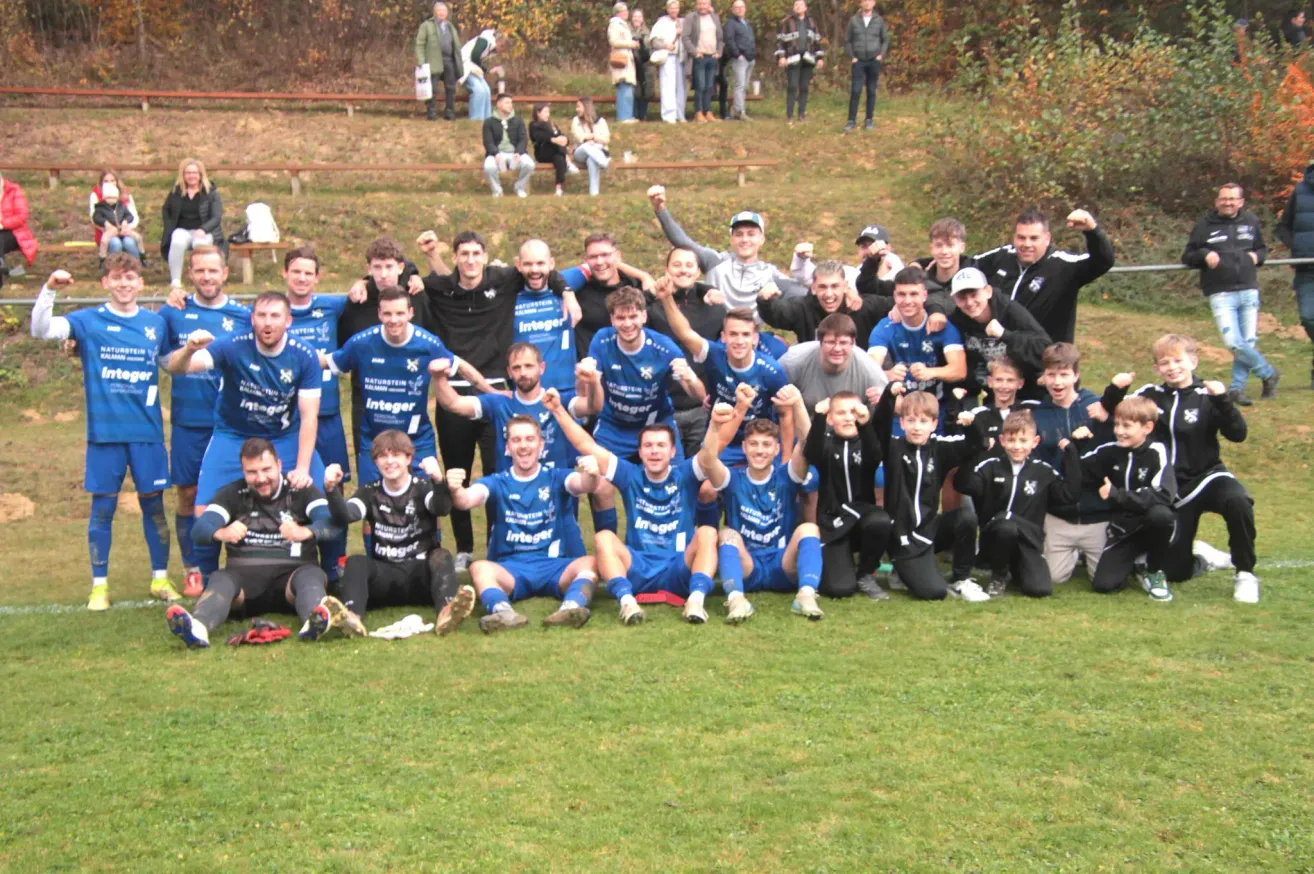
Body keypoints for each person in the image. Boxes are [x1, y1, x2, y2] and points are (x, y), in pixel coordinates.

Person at [418, 230, 575, 566]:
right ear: (456, 257)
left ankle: (497, 543)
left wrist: (568, 292)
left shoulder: (504, 279)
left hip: (497, 395)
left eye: (476, 253)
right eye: (464, 254)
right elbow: (401, 277)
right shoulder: (440, 288)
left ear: (486, 256)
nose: (471, 260)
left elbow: (543, 267)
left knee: (497, 473)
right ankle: (462, 549)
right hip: (457, 395)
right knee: (456, 472)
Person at [29, 260, 177, 611]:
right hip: (105, 433)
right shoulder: (88, 321)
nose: (124, 284)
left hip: (147, 432)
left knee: (154, 507)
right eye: (116, 278)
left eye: (130, 278)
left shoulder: (155, 323)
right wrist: (50, 287)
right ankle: (100, 586)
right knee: (103, 509)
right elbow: (41, 329)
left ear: (140, 283)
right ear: (105, 282)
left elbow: (173, 362)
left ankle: (160, 578)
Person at [552, 392, 730, 625]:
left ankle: (695, 601)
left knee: (707, 532)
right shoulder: (629, 474)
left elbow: (710, 454)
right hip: (638, 567)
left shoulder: (685, 474)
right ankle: (627, 603)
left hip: (678, 567)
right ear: (640, 451)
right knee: (604, 537)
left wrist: (715, 425)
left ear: (673, 451)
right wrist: (557, 409)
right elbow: (585, 444)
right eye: (648, 446)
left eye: (661, 445)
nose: (654, 451)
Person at [165, 438, 358, 649]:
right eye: (252, 472)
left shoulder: (301, 491)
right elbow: (199, 531)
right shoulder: (232, 494)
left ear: (279, 465)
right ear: (243, 471)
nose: (261, 478)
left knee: (311, 576)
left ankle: (314, 622)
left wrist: (306, 531)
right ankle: (197, 628)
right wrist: (222, 532)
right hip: (244, 586)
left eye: (267, 469)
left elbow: (334, 526)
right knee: (220, 578)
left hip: (291, 580)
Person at [1110, 335, 1259, 603]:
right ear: (1156, 368)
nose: (1172, 367)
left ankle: (1245, 574)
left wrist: (1223, 400)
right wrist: (1116, 390)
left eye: (1178, 360)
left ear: (1193, 361)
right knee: (1176, 572)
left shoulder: (1209, 394)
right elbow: (1114, 411)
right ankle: (1202, 557)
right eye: (1164, 362)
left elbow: (1238, 434)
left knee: (1238, 500)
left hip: (1208, 477)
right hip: (1173, 488)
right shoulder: (1149, 395)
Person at [166, 291, 326, 531]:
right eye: (261, 315)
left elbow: (309, 417)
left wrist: (302, 468)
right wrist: (188, 349)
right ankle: (204, 570)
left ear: (288, 321)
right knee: (203, 513)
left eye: (275, 316)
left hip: (284, 435)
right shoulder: (232, 345)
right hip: (233, 434)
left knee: (322, 506)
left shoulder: (304, 355)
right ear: (252, 319)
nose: (268, 322)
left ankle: (331, 568)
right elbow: (177, 368)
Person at [448, 415, 602, 632]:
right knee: (479, 568)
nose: (523, 446)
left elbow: (583, 484)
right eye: (516, 440)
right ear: (508, 447)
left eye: (529, 439)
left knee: (592, 562)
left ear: (541, 444)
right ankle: (503, 613)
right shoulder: (496, 481)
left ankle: (570, 608)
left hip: (553, 566)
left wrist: (592, 474)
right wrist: (456, 490)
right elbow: (465, 501)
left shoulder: (556, 476)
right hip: (512, 568)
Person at [159, 246, 252, 596]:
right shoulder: (174, 312)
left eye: (213, 271)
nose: (207, 277)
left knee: (241, 492)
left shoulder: (243, 316)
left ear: (225, 273)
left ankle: (241, 562)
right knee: (188, 493)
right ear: (190, 275)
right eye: (200, 271)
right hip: (189, 420)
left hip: (232, 422)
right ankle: (193, 568)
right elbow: (165, 358)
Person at [323, 430, 476, 633]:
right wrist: (331, 489)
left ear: (408, 459)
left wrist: (439, 480)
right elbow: (346, 515)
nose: (389, 461)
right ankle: (352, 616)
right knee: (356, 562)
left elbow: (442, 508)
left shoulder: (422, 487)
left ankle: (446, 612)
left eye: (396, 455)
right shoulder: (369, 491)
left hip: (421, 576)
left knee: (441, 555)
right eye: (382, 456)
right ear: (375, 461)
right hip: (385, 575)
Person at [327, 286, 479, 485]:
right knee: (372, 503)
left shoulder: (428, 344)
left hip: (417, 439)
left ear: (410, 313)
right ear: (379, 314)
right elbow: (326, 362)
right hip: (373, 439)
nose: (393, 319)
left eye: (400, 313)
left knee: (428, 502)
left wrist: (493, 391)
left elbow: (460, 365)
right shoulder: (361, 343)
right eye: (388, 313)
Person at [868, 384, 986, 601]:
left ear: (933, 424)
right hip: (902, 536)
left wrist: (972, 426)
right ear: (902, 422)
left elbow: (976, 446)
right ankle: (899, 568)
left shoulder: (940, 448)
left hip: (930, 530)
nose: (916, 428)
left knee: (965, 518)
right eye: (911, 421)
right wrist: (888, 396)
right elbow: (879, 428)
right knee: (934, 592)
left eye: (923, 421)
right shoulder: (892, 447)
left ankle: (961, 578)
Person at [716, 386, 825, 621]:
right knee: (726, 534)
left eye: (766, 445)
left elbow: (809, 443)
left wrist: (797, 404)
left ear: (777, 449)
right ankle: (736, 600)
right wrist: (722, 420)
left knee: (809, 529)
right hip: (748, 566)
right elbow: (707, 460)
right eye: (753, 444)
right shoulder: (732, 478)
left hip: (782, 564)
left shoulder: (786, 475)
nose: (759, 451)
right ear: (744, 447)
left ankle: (805, 596)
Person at [652, 280, 788, 466]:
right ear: (723, 337)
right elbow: (684, 333)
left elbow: (786, 414)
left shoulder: (771, 371)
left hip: (758, 441)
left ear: (754, 337)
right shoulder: (714, 355)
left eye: (745, 335)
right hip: (723, 440)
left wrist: (785, 461)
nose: (739, 341)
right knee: (705, 490)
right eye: (733, 334)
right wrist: (667, 298)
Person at [953, 410, 1082, 598]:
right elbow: (962, 484)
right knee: (1005, 525)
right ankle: (999, 575)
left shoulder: (1043, 472)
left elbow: (1070, 495)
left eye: (1023, 441)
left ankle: (1015, 570)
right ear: (1002, 440)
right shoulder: (990, 467)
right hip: (995, 539)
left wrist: (1071, 453)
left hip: (1028, 543)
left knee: (1040, 590)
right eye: (1011, 440)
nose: (1017, 446)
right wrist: (974, 451)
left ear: (1035, 442)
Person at [1064, 397, 1177, 602]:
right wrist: (1076, 446)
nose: (1119, 431)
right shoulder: (1110, 451)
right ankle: (1137, 562)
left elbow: (1163, 494)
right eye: (1116, 424)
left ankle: (1154, 571)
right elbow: (1079, 472)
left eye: (1127, 426)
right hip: (1123, 529)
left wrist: (1117, 495)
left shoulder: (1157, 451)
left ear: (1147, 427)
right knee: (1103, 585)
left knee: (1161, 514)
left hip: (1152, 523)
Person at [1026, 342, 1118, 586]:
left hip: (1097, 510)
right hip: (1060, 512)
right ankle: (1066, 550)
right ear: (1043, 377)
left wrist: (1106, 422)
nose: (1057, 382)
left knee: (1105, 580)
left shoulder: (1096, 408)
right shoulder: (1037, 415)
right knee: (1054, 578)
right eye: (1051, 375)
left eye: (1064, 375)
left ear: (1076, 375)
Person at [1182, 183, 1279, 406]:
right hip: (1220, 292)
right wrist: (1205, 254)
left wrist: (1257, 257)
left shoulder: (1251, 221)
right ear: (1217, 201)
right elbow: (1188, 255)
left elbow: (1262, 248)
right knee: (1234, 342)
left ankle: (1237, 389)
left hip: (1248, 289)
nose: (1228, 202)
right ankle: (1268, 372)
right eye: (1224, 198)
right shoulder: (1205, 224)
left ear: (1241, 202)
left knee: (1248, 342)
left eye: (1233, 199)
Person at [434, 341, 591, 473]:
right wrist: (439, 377)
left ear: (541, 368)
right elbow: (453, 404)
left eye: (529, 366)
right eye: (516, 368)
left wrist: (594, 382)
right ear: (509, 372)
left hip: (555, 495)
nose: (523, 373)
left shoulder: (558, 401)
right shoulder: (499, 403)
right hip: (509, 499)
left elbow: (592, 406)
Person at [649, 185, 808, 314]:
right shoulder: (715, 261)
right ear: (731, 239)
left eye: (751, 234)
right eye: (739, 235)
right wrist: (660, 209)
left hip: (748, 338)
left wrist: (803, 263)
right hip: (713, 333)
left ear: (762, 239)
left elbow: (807, 293)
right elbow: (682, 242)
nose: (745, 240)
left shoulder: (770, 273)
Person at [973, 208, 1113, 344]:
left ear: (1047, 238)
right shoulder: (1001, 257)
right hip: (1000, 356)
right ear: (1014, 238)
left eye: (1034, 238)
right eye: (1021, 238)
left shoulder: (1063, 266)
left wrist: (1092, 231)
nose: (1027, 244)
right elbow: (966, 266)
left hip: (1047, 359)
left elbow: (1103, 261)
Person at [803, 391, 887, 598]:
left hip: (863, 520)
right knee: (838, 589)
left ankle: (866, 573)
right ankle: (843, 563)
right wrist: (819, 418)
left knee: (881, 521)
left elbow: (875, 456)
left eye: (853, 412)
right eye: (841, 413)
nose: (849, 417)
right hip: (834, 524)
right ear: (831, 418)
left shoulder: (866, 441)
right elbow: (811, 454)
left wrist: (865, 424)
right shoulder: (826, 443)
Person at [947, 266, 1052, 404]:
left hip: (1028, 391)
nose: (969, 303)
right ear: (955, 299)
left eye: (974, 294)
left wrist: (1005, 335)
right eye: (962, 297)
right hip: (992, 393)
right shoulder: (956, 321)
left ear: (988, 291)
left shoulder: (1009, 310)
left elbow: (1045, 346)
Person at [866, 266, 966, 409]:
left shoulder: (940, 325)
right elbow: (870, 369)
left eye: (913, 294)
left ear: (925, 296)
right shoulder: (884, 327)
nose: (907, 300)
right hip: (900, 412)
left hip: (937, 412)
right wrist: (886, 374)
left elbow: (960, 370)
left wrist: (930, 372)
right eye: (901, 294)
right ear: (894, 296)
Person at [761, 259, 897, 347]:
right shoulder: (802, 308)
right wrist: (764, 301)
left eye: (835, 286)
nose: (829, 294)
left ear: (845, 286)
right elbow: (778, 313)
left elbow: (903, 301)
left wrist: (898, 308)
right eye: (823, 287)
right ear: (813, 288)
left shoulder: (861, 306)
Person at [564, 231, 656, 354]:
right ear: (586, 260)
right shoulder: (579, 290)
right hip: (593, 369)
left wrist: (644, 276)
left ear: (618, 256)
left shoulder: (637, 287)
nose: (599, 261)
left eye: (605, 255)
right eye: (593, 257)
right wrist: (567, 293)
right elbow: (550, 279)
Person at [778, 313, 888, 410]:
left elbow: (895, 408)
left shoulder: (870, 369)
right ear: (820, 342)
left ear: (853, 343)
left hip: (850, 428)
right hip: (804, 428)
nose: (837, 349)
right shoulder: (793, 362)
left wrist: (883, 402)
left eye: (843, 342)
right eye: (830, 342)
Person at [1276, 158, 1314, 388]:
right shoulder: (1300, 191)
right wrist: (1296, 247)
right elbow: (1282, 226)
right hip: (1306, 270)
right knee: (1308, 316)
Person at [161, 158, 226, 289]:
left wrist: (202, 230)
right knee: (177, 240)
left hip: (205, 231)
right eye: (188, 173)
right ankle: (175, 281)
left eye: (195, 173)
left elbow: (216, 217)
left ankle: (202, 279)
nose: (192, 176)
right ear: (183, 175)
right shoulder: (176, 192)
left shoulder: (211, 193)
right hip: (183, 230)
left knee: (200, 245)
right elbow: (166, 210)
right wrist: (170, 228)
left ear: (201, 174)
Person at [804, 224, 906, 294]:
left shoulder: (903, 281)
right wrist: (801, 260)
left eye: (874, 245)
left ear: (888, 248)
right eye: (864, 246)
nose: (869, 251)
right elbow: (812, 276)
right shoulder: (850, 274)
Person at [775, 0, 824, 125]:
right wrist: (781, 56)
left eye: (801, 5)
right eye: (796, 5)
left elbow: (817, 41)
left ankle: (801, 114)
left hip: (808, 59)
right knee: (792, 86)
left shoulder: (811, 22)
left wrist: (819, 58)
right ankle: (789, 115)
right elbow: (780, 41)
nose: (798, 7)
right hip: (792, 58)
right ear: (793, 8)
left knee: (804, 87)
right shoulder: (787, 22)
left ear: (805, 8)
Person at [844, 0, 889, 132]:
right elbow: (847, 41)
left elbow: (885, 39)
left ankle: (869, 120)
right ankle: (851, 120)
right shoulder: (853, 21)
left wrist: (880, 55)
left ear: (874, 3)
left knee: (871, 90)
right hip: (858, 61)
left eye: (870, 1)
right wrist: (852, 57)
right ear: (861, 4)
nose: (867, 3)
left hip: (873, 60)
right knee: (856, 90)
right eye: (865, 1)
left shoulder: (878, 20)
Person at [415, 1, 463, 121]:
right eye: (439, 10)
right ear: (435, 12)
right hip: (433, 61)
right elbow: (419, 44)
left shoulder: (450, 26)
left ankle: (449, 113)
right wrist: (421, 61)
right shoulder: (426, 25)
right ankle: (431, 113)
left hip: (449, 61)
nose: (442, 13)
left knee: (451, 88)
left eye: (444, 11)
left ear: (447, 13)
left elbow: (456, 45)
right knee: (432, 88)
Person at [482, 93, 535, 198]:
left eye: (511, 103)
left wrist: (518, 152)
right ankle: (497, 191)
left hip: (515, 153)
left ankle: (519, 187)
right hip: (497, 153)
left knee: (529, 164)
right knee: (489, 166)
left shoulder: (518, 120)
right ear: (498, 104)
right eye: (507, 103)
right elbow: (488, 142)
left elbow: (523, 139)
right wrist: (496, 154)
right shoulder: (489, 122)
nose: (510, 105)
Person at [682, 0, 723, 123]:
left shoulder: (714, 17)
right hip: (699, 57)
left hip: (712, 57)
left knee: (709, 86)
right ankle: (698, 113)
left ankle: (708, 112)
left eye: (704, 3)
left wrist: (719, 51)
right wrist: (694, 52)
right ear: (696, 5)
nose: (702, 6)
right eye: (700, 3)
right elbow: (685, 37)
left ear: (709, 5)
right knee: (700, 85)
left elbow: (720, 38)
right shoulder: (691, 17)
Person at [89, 171, 144, 262]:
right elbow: (94, 218)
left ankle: (136, 268)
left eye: (112, 180)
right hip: (105, 231)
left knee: (129, 243)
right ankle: (112, 270)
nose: (109, 183)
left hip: (125, 230)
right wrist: (107, 226)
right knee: (115, 243)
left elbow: (133, 217)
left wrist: (126, 227)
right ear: (101, 182)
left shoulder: (125, 195)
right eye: (106, 181)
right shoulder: (96, 196)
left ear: (117, 182)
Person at [913, 217, 974, 296]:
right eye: (938, 245)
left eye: (950, 245)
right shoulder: (920, 285)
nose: (944, 251)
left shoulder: (974, 282)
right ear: (931, 248)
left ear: (962, 248)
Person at [651, 0, 688, 124]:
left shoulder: (682, 22)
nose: (674, 10)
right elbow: (654, 41)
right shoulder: (661, 22)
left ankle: (680, 114)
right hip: (668, 57)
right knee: (668, 86)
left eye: (676, 8)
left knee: (680, 87)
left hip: (680, 57)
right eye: (671, 8)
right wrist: (665, 45)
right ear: (667, 9)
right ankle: (669, 116)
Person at [570, 97, 612, 197]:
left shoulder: (601, 121)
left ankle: (594, 193)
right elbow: (578, 136)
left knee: (592, 160)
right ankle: (605, 163)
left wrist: (593, 138)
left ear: (586, 107)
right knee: (586, 146)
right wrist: (592, 139)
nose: (577, 109)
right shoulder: (576, 120)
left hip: (597, 150)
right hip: (580, 152)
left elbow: (606, 139)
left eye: (579, 107)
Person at [459, 28, 504, 121]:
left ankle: (486, 119)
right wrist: (486, 70)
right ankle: (476, 119)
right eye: (501, 49)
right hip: (464, 66)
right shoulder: (485, 39)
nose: (499, 52)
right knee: (478, 90)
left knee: (486, 90)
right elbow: (475, 56)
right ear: (500, 43)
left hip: (473, 68)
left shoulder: (491, 47)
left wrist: (488, 70)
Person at [529, 103, 573, 197]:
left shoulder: (552, 125)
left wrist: (565, 140)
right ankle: (568, 161)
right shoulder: (533, 125)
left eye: (548, 112)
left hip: (556, 152)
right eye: (545, 112)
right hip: (542, 153)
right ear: (538, 113)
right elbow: (538, 137)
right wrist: (552, 139)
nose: (547, 114)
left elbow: (561, 135)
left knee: (559, 159)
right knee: (557, 147)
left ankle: (558, 188)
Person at [0, 171, 36, 281]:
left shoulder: (14, 191)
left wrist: (2, 224)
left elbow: (22, 216)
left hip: (15, 232)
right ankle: (3, 270)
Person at [723, 0, 756, 121]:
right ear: (732, 9)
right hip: (740, 59)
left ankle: (740, 109)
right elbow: (729, 40)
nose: (739, 9)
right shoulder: (730, 23)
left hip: (750, 58)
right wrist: (737, 55)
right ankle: (739, 111)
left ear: (745, 9)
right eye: (737, 7)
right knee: (740, 85)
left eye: (741, 7)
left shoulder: (746, 24)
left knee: (745, 86)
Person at [608, 2, 640, 123]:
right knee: (623, 86)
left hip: (626, 59)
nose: (627, 13)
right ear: (618, 12)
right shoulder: (615, 24)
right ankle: (623, 116)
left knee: (628, 86)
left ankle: (628, 115)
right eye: (624, 11)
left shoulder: (623, 25)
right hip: (620, 59)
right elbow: (614, 41)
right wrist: (631, 44)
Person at [630, 7, 653, 121]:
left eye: (639, 17)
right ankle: (634, 114)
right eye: (635, 17)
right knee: (634, 90)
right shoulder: (627, 30)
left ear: (642, 19)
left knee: (645, 89)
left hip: (645, 64)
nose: (637, 19)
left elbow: (650, 47)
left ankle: (643, 114)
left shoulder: (647, 31)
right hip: (631, 63)